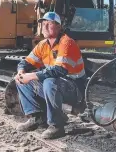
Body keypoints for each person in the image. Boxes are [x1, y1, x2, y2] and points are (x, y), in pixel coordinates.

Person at [15, 11, 86, 139]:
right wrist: (21, 73)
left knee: (49, 82)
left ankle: (57, 126)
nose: (45, 27)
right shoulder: (43, 45)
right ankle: (37, 118)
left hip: (74, 89)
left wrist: (30, 76)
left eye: (50, 24)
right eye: (43, 24)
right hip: (58, 85)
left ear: (59, 27)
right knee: (20, 80)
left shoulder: (67, 42)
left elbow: (59, 70)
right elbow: (25, 62)